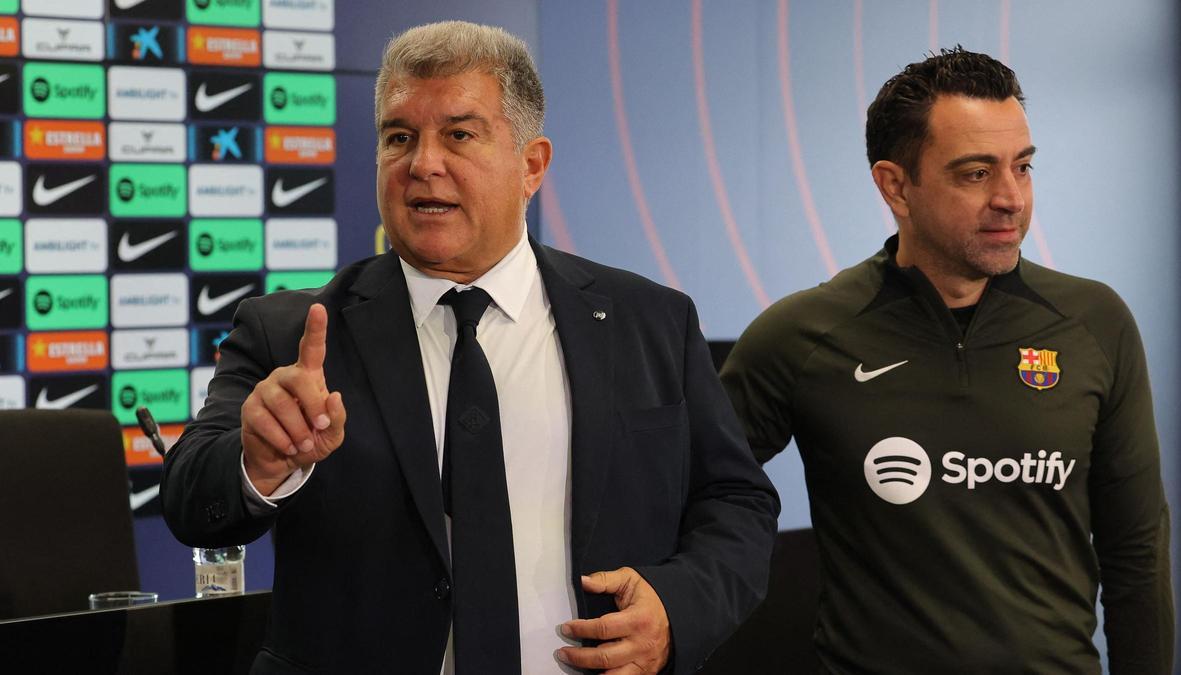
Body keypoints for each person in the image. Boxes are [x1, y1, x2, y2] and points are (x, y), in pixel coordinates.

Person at [161, 20, 779, 675]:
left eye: (459, 133)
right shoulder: (292, 332)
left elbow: (736, 502)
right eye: (399, 137)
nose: (423, 162)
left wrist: (677, 608)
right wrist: (258, 464)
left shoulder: (649, 321)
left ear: (531, 165)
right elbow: (191, 500)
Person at [720, 47, 1173, 673]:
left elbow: (1137, 552)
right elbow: (692, 494)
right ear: (895, 185)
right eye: (976, 173)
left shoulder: (1095, 323)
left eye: (1023, 166)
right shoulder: (801, 336)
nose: (1011, 198)